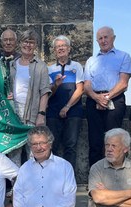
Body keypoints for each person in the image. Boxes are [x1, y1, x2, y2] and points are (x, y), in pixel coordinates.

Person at [84, 26, 131, 166]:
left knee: (115, 140)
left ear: (113, 38)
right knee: (94, 141)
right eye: (100, 38)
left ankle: (116, 175)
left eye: (106, 37)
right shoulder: (91, 61)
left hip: (115, 99)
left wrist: (106, 97)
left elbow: (123, 83)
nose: (103, 40)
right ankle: (95, 176)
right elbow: (87, 85)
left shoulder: (124, 56)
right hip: (93, 100)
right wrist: (96, 97)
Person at [8, 29, 51, 166]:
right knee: (14, 152)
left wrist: (41, 114)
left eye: (31, 42)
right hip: (14, 113)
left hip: (32, 113)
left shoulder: (41, 66)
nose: (28, 45)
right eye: (26, 41)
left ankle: (35, 186)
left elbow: (45, 92)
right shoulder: (11, 64)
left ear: (36, 45)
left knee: (34, 151)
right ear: (20, 43)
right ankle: (17, 186)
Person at [46, 35, 84, 170]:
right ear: (54, 51)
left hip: (73, 111)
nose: (60, 49)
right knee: (52, 146)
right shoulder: (50, 69)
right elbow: (49, 93)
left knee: (71, 146)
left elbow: (80, 89)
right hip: (53, 112)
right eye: (58, 47)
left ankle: (69, 179)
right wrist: (56, 85)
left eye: (63, 46)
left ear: (69, 49)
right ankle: (54, 178)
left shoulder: (76, 66)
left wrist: (67, 106)